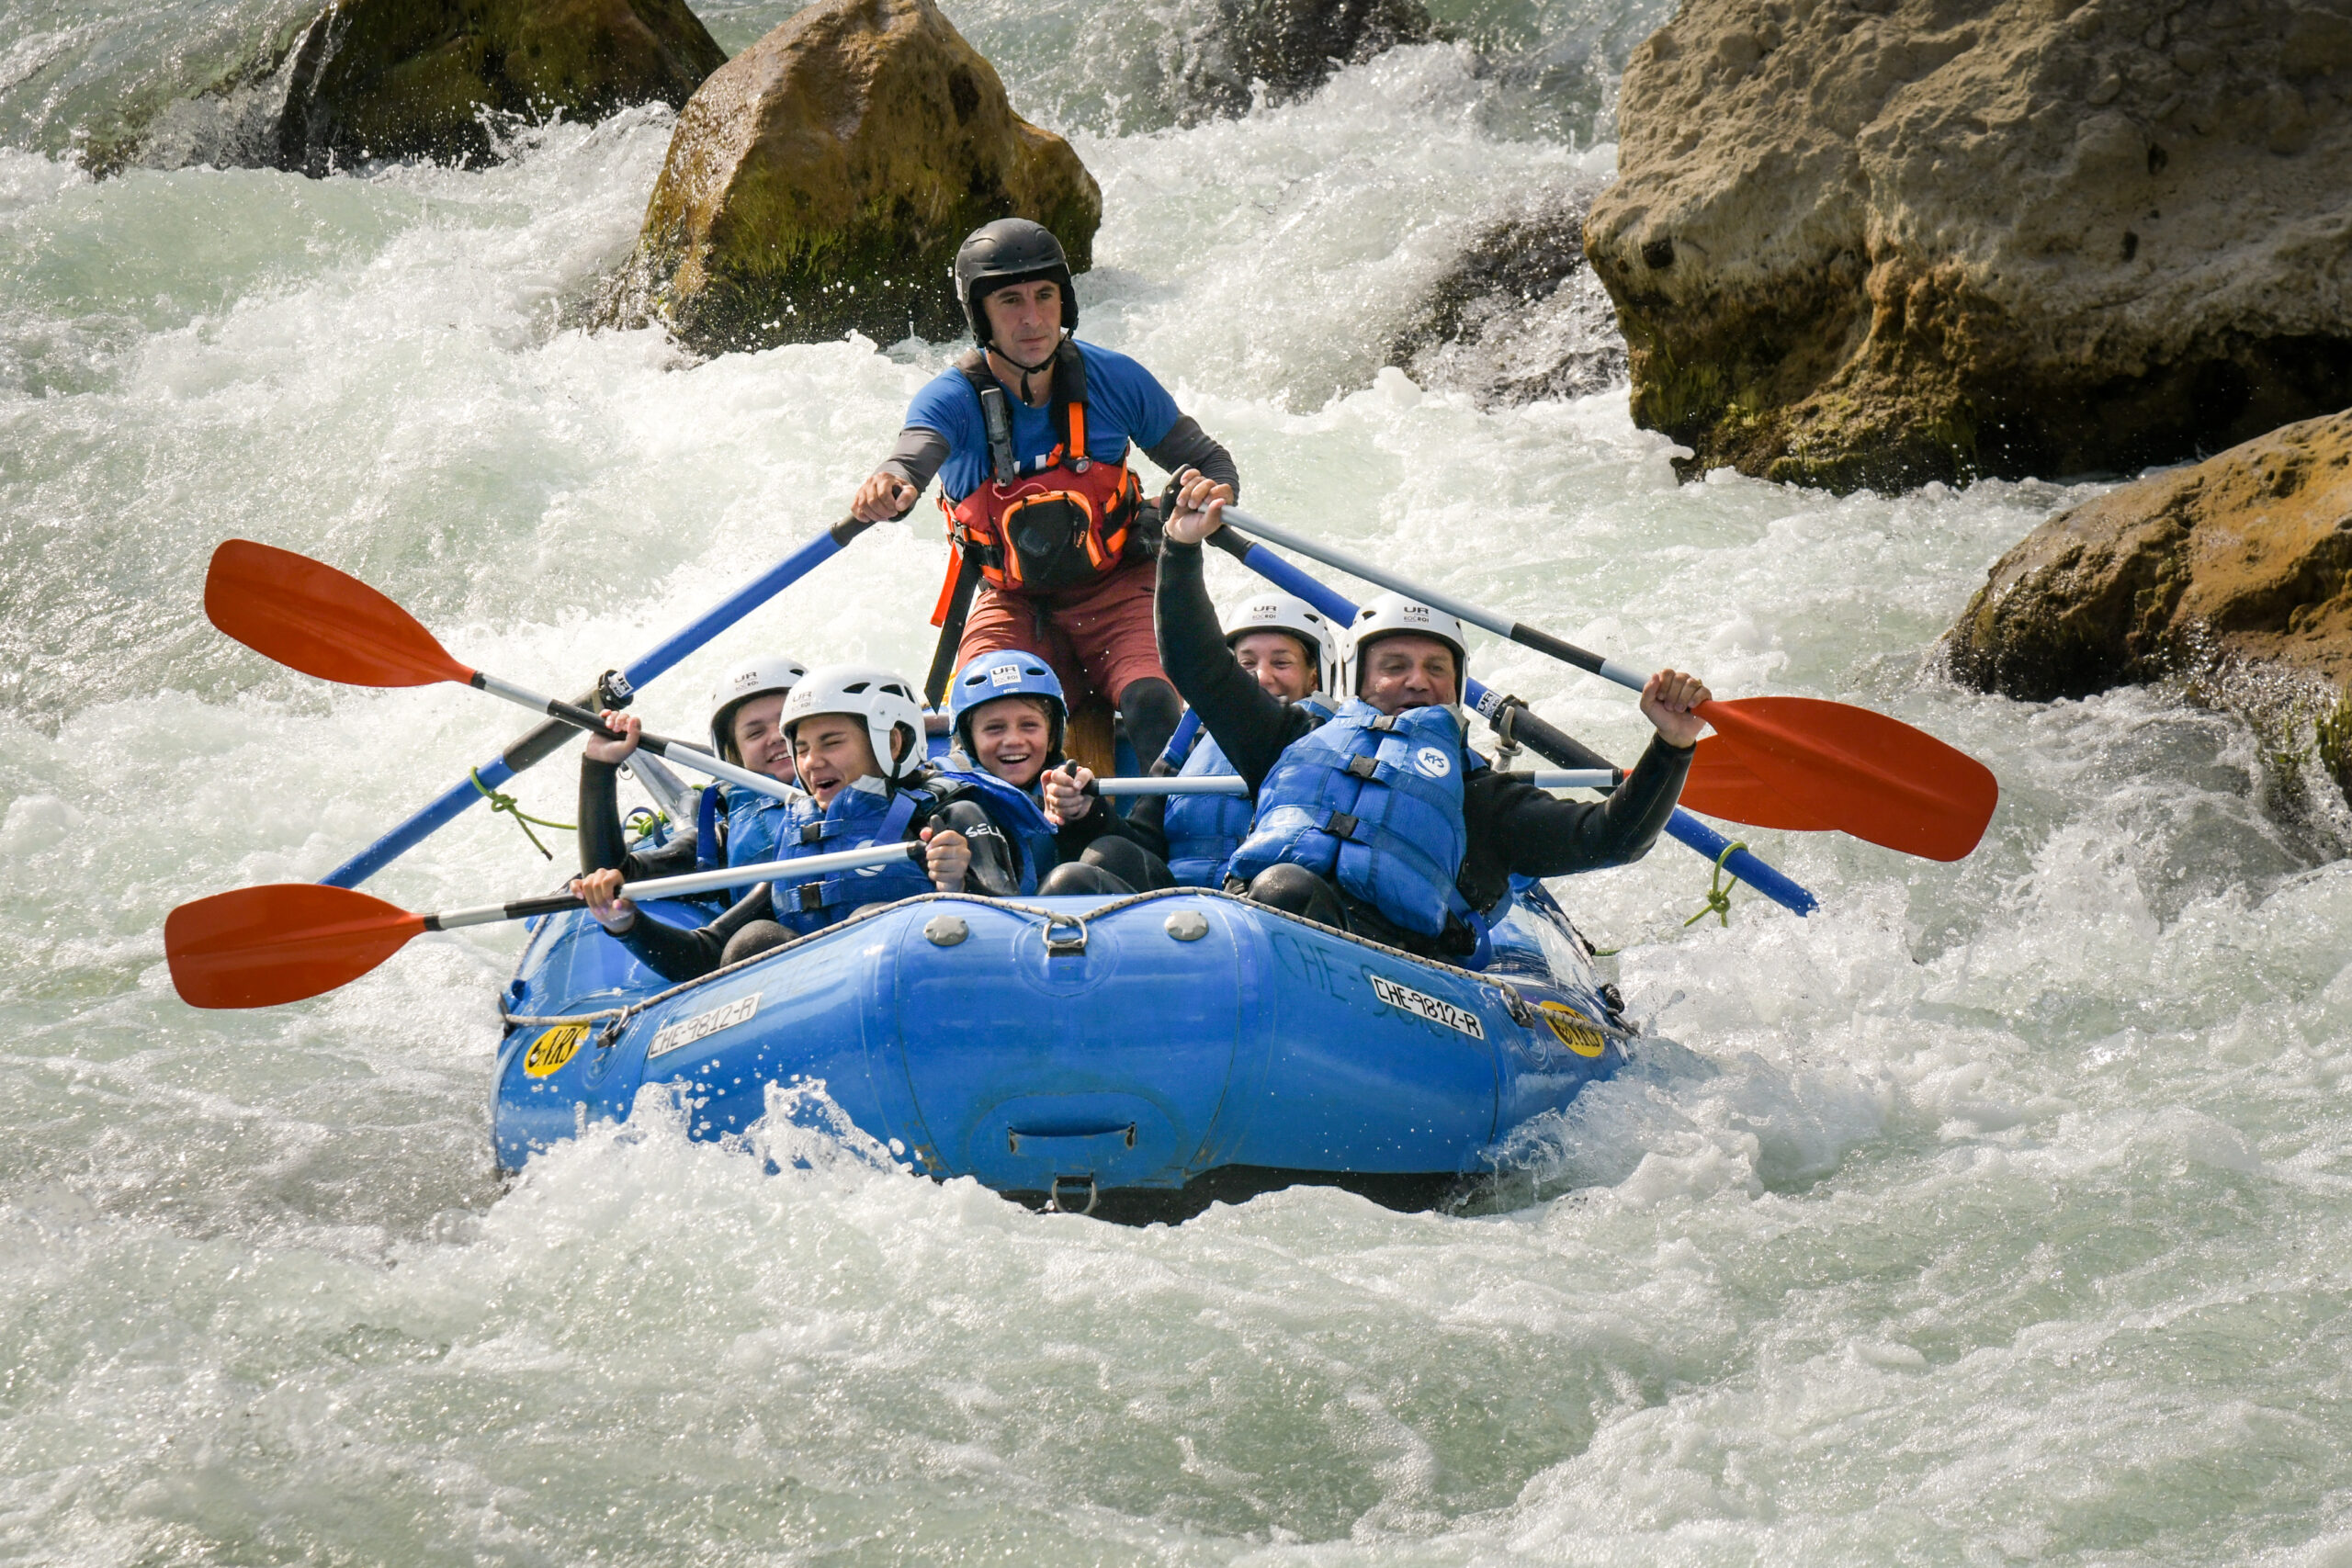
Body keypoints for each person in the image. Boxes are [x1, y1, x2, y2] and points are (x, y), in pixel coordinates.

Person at [1156, 470, 1709, 967]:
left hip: (1390, 970)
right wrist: (1180, 548)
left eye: (1435, 668)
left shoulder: (1482, 797)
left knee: (1287, 889)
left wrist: (1672, 744)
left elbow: (1611, 837)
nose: (1417, 681)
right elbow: (1196, 664)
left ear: (1457, 687)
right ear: (1357, 681)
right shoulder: (1291, 741)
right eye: (1394, 666)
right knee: (1267, 886)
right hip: (1263, 927)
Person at [848, 218, 1240, 768]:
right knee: (984, 717)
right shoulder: (949, 399)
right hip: (1012, 602)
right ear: (980, 315)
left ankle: (1164, 817)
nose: (1032, 318)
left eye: (1045, 296)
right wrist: (891, 483)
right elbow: (911, 457)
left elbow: (1210, 461)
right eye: (1010, 301)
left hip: (1119, 587)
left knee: (1153, 701)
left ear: (1065, 302)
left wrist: (1212, 492)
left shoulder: (1116, 379)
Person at [571, 665, 1024, 982]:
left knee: (872, 923)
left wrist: (958, 883)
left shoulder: (948, 814)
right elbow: (709, 953)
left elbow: (1019, 925)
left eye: (831, 741)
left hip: (932, 988)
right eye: (801, 746)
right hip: (819, 1014)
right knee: (753, 941)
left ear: (890, 742)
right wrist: (625, 923)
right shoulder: (795, 835)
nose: (810, 761)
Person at [943, 648, 1172, 896]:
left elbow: (1143, 865)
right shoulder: (943, 798)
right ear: (968, 740)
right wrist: (952, 880)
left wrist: (1085, 815)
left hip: (1076, 914)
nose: (1013, 740)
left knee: (1110, 852)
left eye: (1029, 725)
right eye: (994, 728)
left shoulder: (1068, 789)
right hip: (986, 916)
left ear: (1052, 736)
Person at [574, 655, 807, 892]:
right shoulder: (718, 843)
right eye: (755, 733)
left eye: (787, 723)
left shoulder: (836, 798)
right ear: (735, 755)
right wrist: (599, 768)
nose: (776, 737)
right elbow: (613, 878)